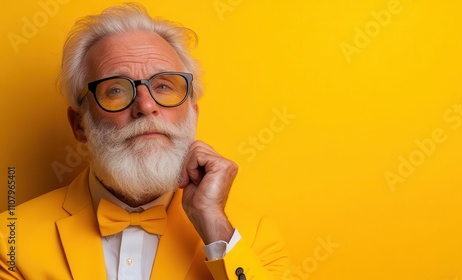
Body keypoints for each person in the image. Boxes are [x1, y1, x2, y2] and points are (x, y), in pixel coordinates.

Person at [0, 3, 291, 279]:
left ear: (192, 112)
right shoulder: (9, 240)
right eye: (115, 90)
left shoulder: (250, 238)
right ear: (80, 125)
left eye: (163, 86)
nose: (146, 106)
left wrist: (213, 225)